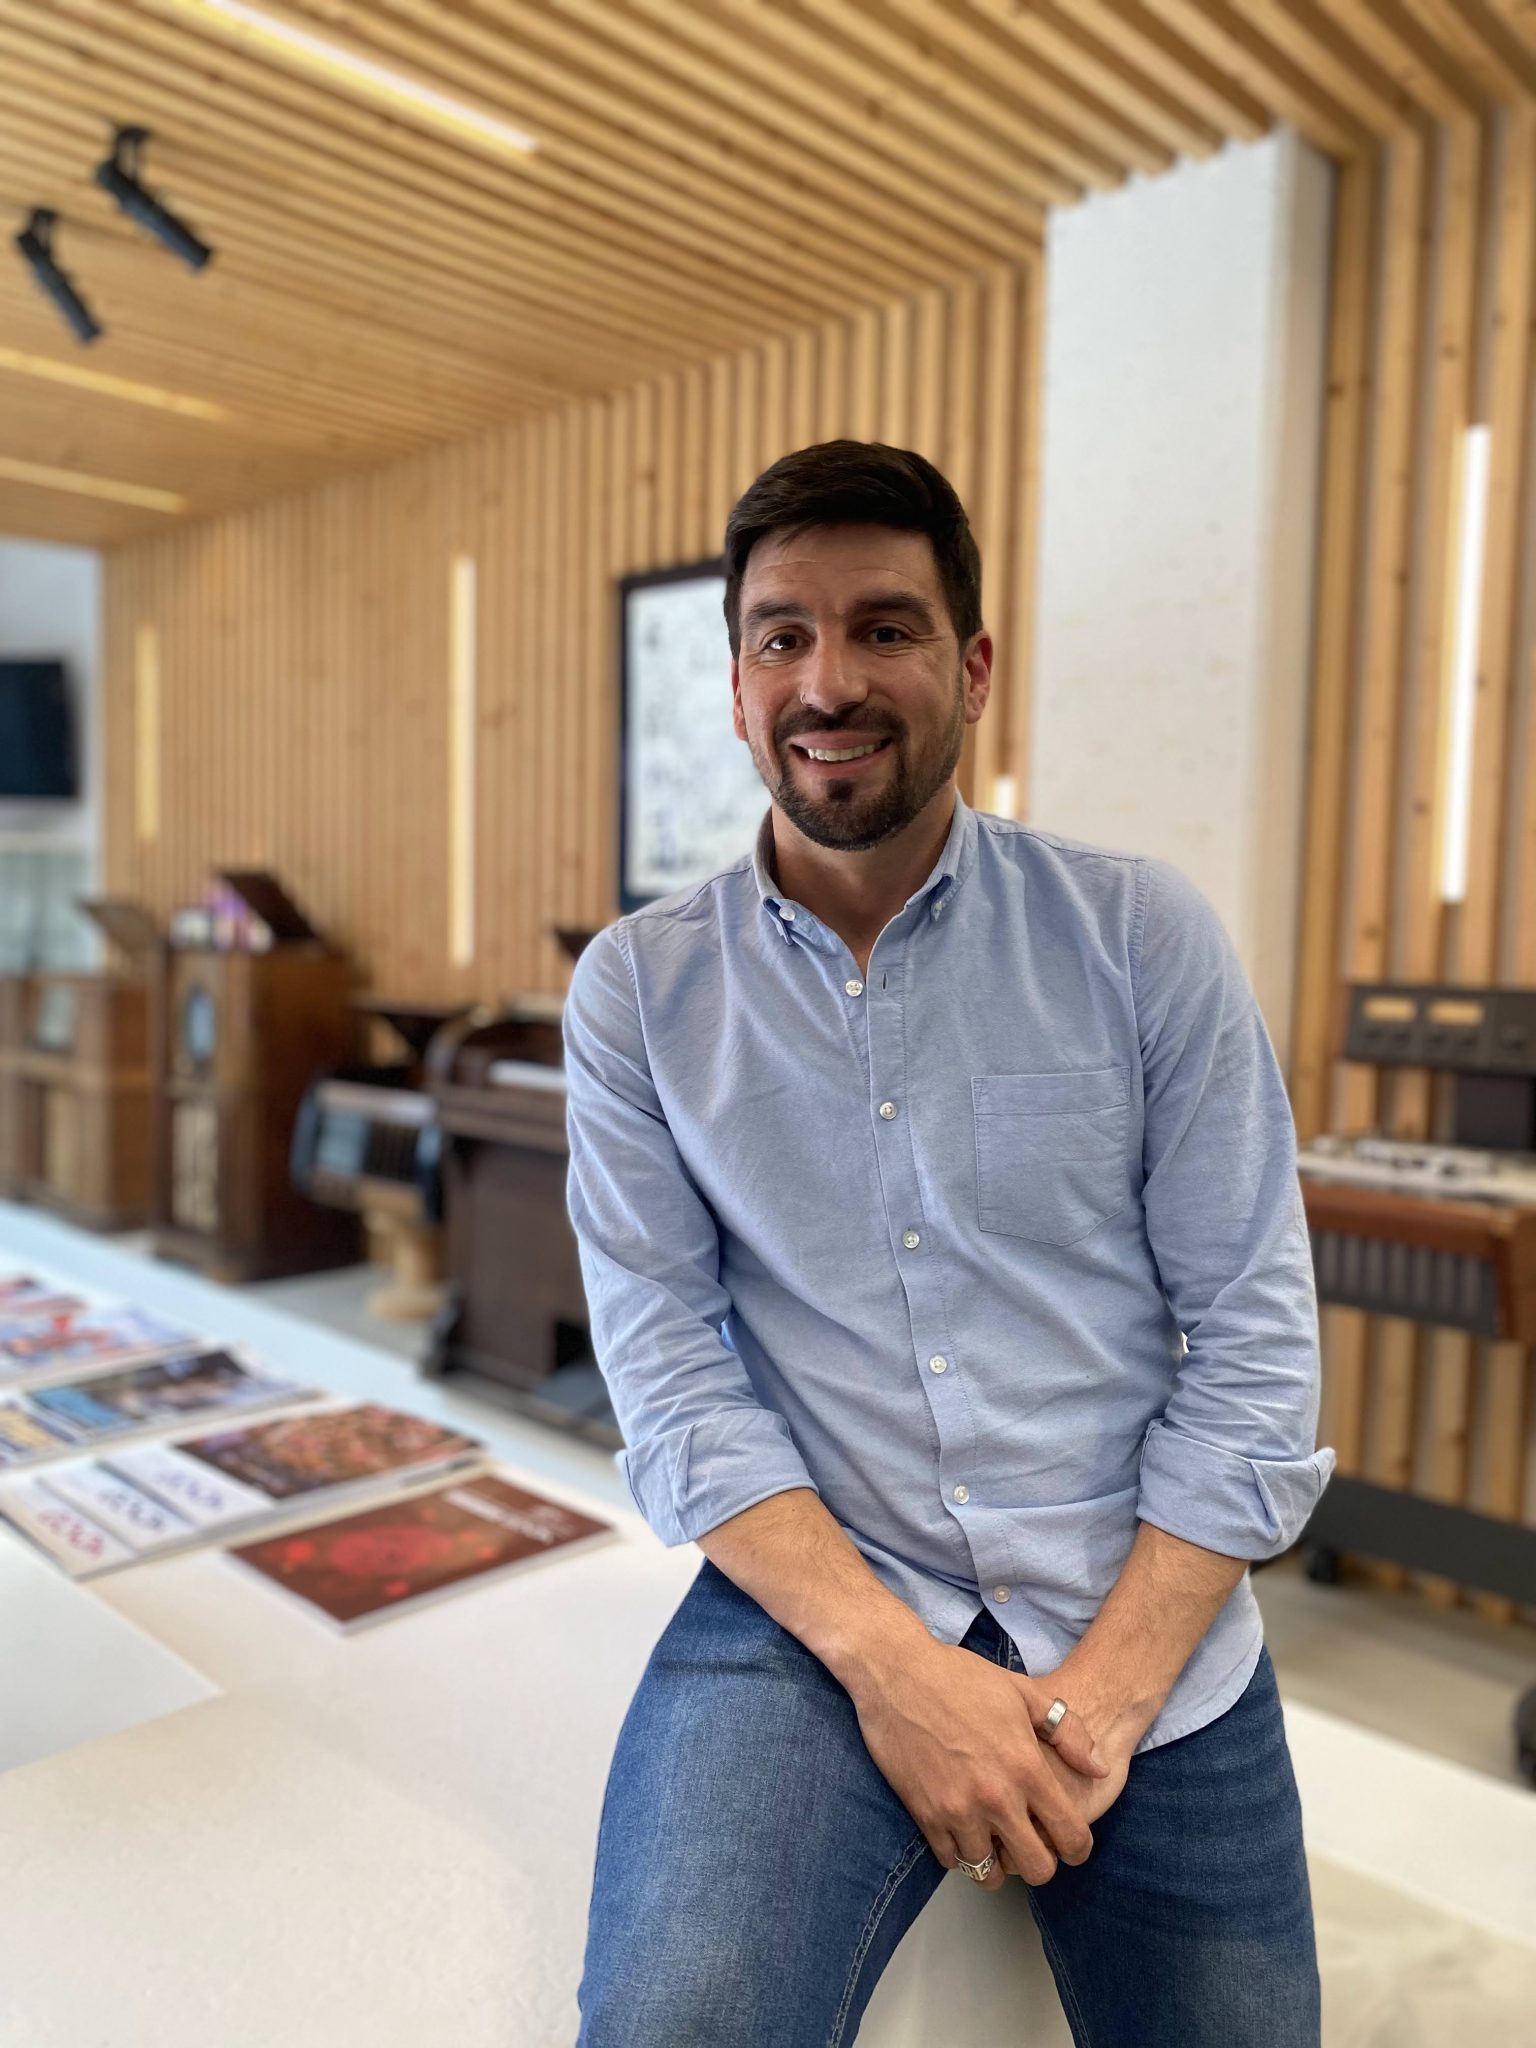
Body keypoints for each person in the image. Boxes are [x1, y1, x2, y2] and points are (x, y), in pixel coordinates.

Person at [563, 440, 1334, 2047]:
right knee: (677, 2024)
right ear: (737, 687)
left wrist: (1099, 1702)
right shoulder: (639, 992)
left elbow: (1256, 1347)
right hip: (818, 1597)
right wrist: (894, 1669)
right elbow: (668, 1373)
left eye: (885, 628)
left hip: (1136, 1606)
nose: (827, 681)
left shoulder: (1139, 937)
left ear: (973, 669)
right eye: (782, 637)